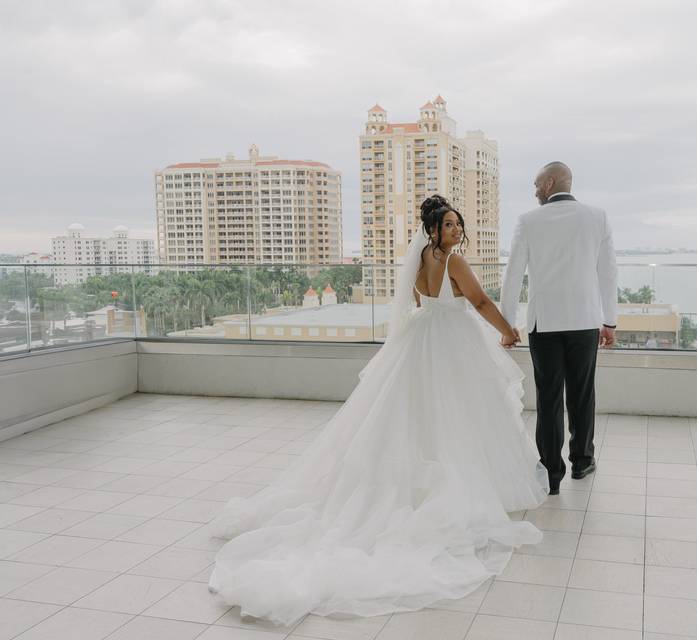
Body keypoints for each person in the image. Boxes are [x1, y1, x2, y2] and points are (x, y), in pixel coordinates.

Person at [206, 195, 548, 625]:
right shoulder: (453, 262)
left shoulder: (421, 258)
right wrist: (507, 332)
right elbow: (478, 302)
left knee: (418, 414)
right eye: (449, 225)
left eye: (458, 224)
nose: (456, 231)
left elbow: (419, 303)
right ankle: (451, 481)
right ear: (433, 230)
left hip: (422, 338)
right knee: (455, 416)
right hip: (452, 342)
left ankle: (419, 474)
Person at [501, 161, 618, 495]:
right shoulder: (598, 217)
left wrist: (507, 324)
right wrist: (609, 320)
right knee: (582, 394)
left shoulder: (528, 221)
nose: (535, 190)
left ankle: (551, 473)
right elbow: (608, 273)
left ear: (550, 182)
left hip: (545, 324)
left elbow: (512, 276)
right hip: (584, 322)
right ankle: (582, 461)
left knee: (549, 398)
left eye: (537, 184)